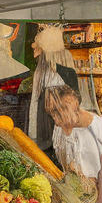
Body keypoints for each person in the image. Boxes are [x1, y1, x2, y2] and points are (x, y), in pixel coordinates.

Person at [26, 25, 81, 163]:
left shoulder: (59, 74)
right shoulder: (61, 74)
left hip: (57, 136)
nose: (37, 57)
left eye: (41, 53)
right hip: (50, 138)